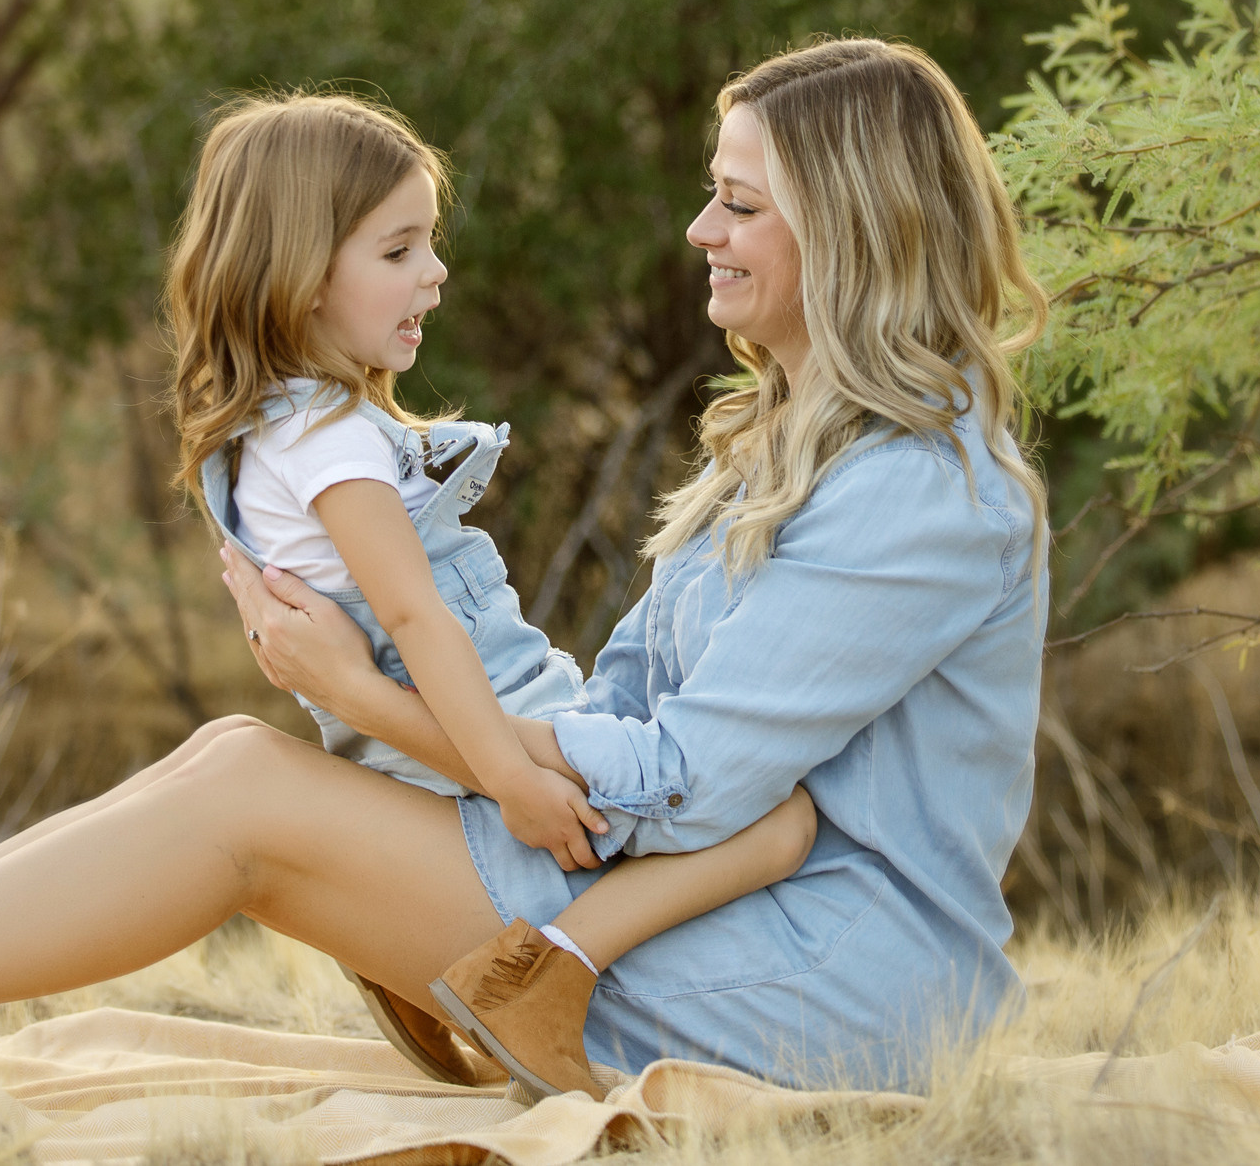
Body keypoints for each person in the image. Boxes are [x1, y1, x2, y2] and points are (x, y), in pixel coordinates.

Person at [0, 38, 1048, 1139]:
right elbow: (625, 713)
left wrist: (371, 697)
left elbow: (686, 785)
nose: (701, 226)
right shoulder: (793, 446)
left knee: (245, 798)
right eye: (716, 190)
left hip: (829, 982)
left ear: (856, 228)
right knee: (237, 760)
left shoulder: (925, 490)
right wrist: (418, 712)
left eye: (741, 202)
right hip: (720, 913)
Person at [165, 92, 817, 1096]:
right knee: (782, 819)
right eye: (398, 251)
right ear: (300, 277)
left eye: (428, 244)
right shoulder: (335, 444)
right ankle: (543, 976)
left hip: (425, 750)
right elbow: (416, 615)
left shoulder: (265, 434)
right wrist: (513, 781)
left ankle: (400, 937)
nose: (434, 272)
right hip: (489, 739)